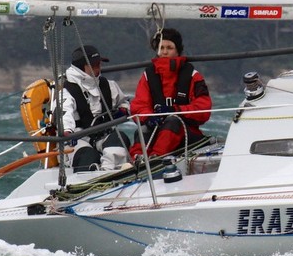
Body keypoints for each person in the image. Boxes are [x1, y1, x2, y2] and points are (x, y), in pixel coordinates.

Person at [130, 28, 212, 161]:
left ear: (177, 50)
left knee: (173, 122)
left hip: (185, 133)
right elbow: (139, 105)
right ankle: (137, 159)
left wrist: (176, 110)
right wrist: (148, 118)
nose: (165, 52)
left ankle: (156, 158)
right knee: (143, 128)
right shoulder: (148, 76)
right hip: (157, 128)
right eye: (161, 48)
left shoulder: (193, 76)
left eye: (169, 47)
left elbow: (203, 108)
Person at [55, 44, 139, 172]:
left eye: (99, 64)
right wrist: (67, 131)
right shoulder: (66, 91)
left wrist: (122, 110)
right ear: (81, 67)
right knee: (88, 157)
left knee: (119, 138)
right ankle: (92, 176)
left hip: (103, 135)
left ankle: (109, 172)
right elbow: (63, 114)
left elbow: (124, 102)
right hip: (78, 139)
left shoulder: (108, 86)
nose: (98, 67)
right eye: (94, 65)